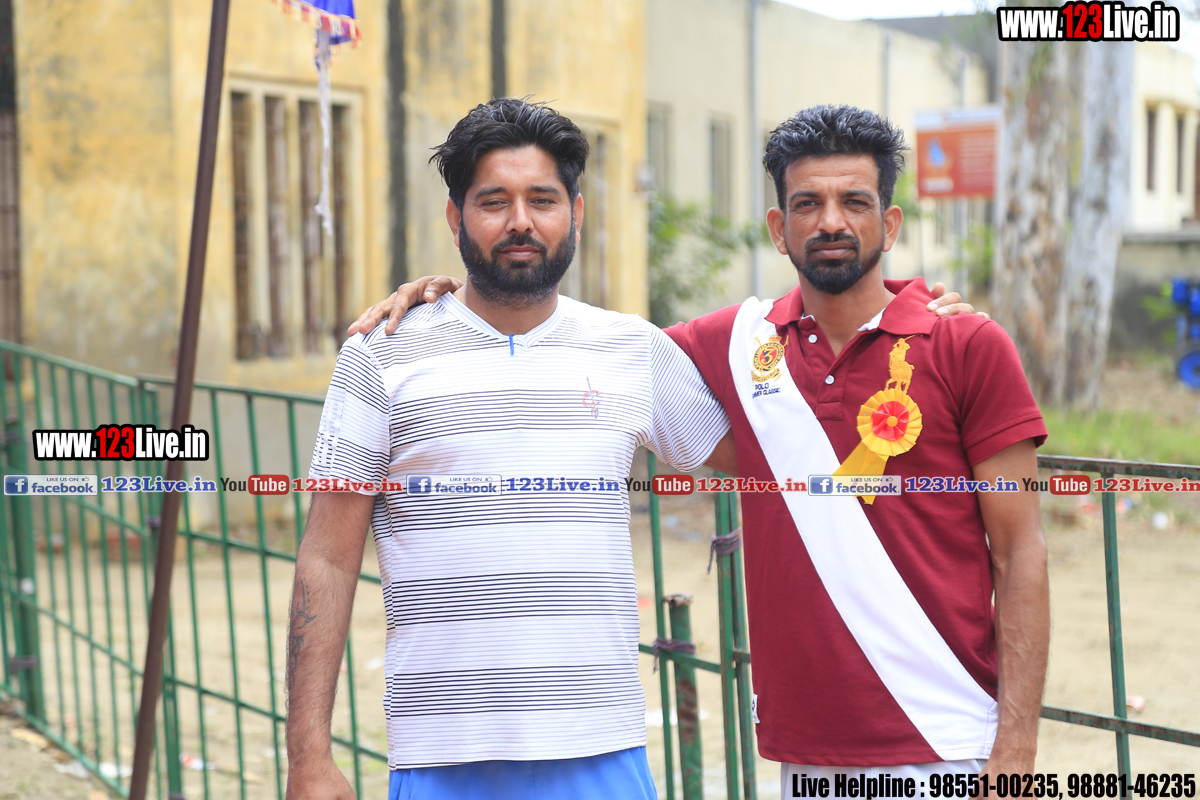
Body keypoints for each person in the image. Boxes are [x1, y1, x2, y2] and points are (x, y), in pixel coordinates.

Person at [355, 105, 1049, 791]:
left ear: (890, 224)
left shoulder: (967, 345)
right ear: (778, 227)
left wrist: (1016, 748)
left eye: (855, 202)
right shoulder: (734, 343)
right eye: (807, 203)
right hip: (806, 755)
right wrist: (442, 300)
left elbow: (1020, 552)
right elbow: (563, 336)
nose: (831, 222)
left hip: (951, 740)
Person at [284, 98, 736, 800]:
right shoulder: (382, 354)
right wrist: (308, 757)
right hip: (443, 756)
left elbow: (772, 455)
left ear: (576, 214)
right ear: (455, 217)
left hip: (601, 747)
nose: (520, 221)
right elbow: (328, 557)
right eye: (493, 201)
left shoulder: (632, 349)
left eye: (542, 200)